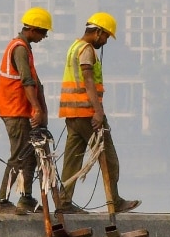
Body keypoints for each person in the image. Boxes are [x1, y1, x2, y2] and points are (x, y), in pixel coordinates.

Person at [55, 12, 140, 214]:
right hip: (87, 113)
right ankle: (115, 201)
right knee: (109, 158)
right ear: (98, 32)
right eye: (106, 37)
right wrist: (98, 112)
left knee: (73, 159)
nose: (106, 41)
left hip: (72, 114)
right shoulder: (86, 50)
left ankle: (64, 203)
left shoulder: (73, 47)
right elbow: (88, 80)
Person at [0, 7, 52, 215]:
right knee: (18, 156)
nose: (44, 37)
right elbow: (27, 81)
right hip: (16, 111)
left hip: (22, 111)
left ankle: (26, 198)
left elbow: (35, 81)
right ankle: (1, 201)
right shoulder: (19, 48)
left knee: (30, 157)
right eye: (43, 32)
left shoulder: (25, 48)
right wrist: (37, 108)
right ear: (33, 29)